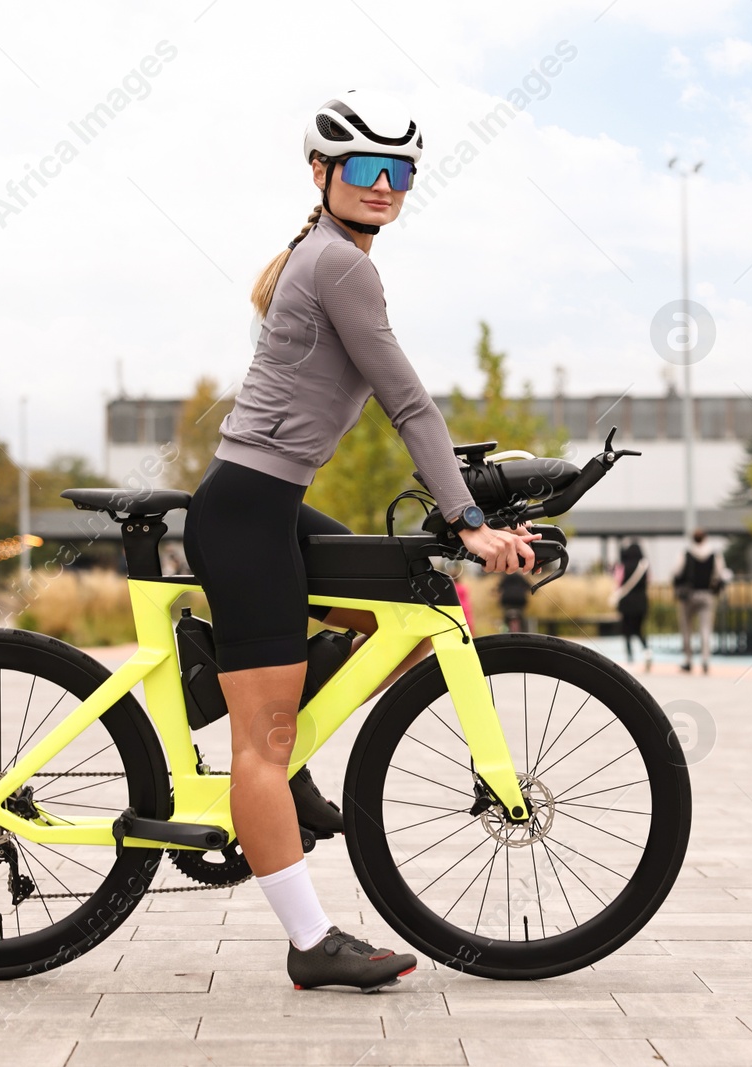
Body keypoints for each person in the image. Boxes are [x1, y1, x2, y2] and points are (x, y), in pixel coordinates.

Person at [182, 90, 540, 993]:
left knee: (418, 608)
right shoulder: (340, 265)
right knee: (259, 746)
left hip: (270, 506)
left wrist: (468, 496)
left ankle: (257, 711)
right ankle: (310, 940)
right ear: (321, 176)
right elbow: (407, 401)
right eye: (366, 169)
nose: (384, 186)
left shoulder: (327, 256)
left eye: (402, 172)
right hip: (248, 512)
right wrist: (468, 522)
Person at [673, 529, 729, 674]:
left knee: (686, 629)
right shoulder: (714, 554)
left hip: (689, 595)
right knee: (705, 628)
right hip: (707, 595)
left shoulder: (686, 553)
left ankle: (688, 660)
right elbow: (720, 573)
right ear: (705, 538)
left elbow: (677, 572)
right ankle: (705, 659)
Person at [612, 539, 651, 671]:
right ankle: (647, 653)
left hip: (626, 603)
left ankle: (630, 658)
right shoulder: (644, 566)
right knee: (639, 630)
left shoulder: (622, 566)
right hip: (641, 602)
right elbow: (649, 581)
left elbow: (617, 583)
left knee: (627, 630)